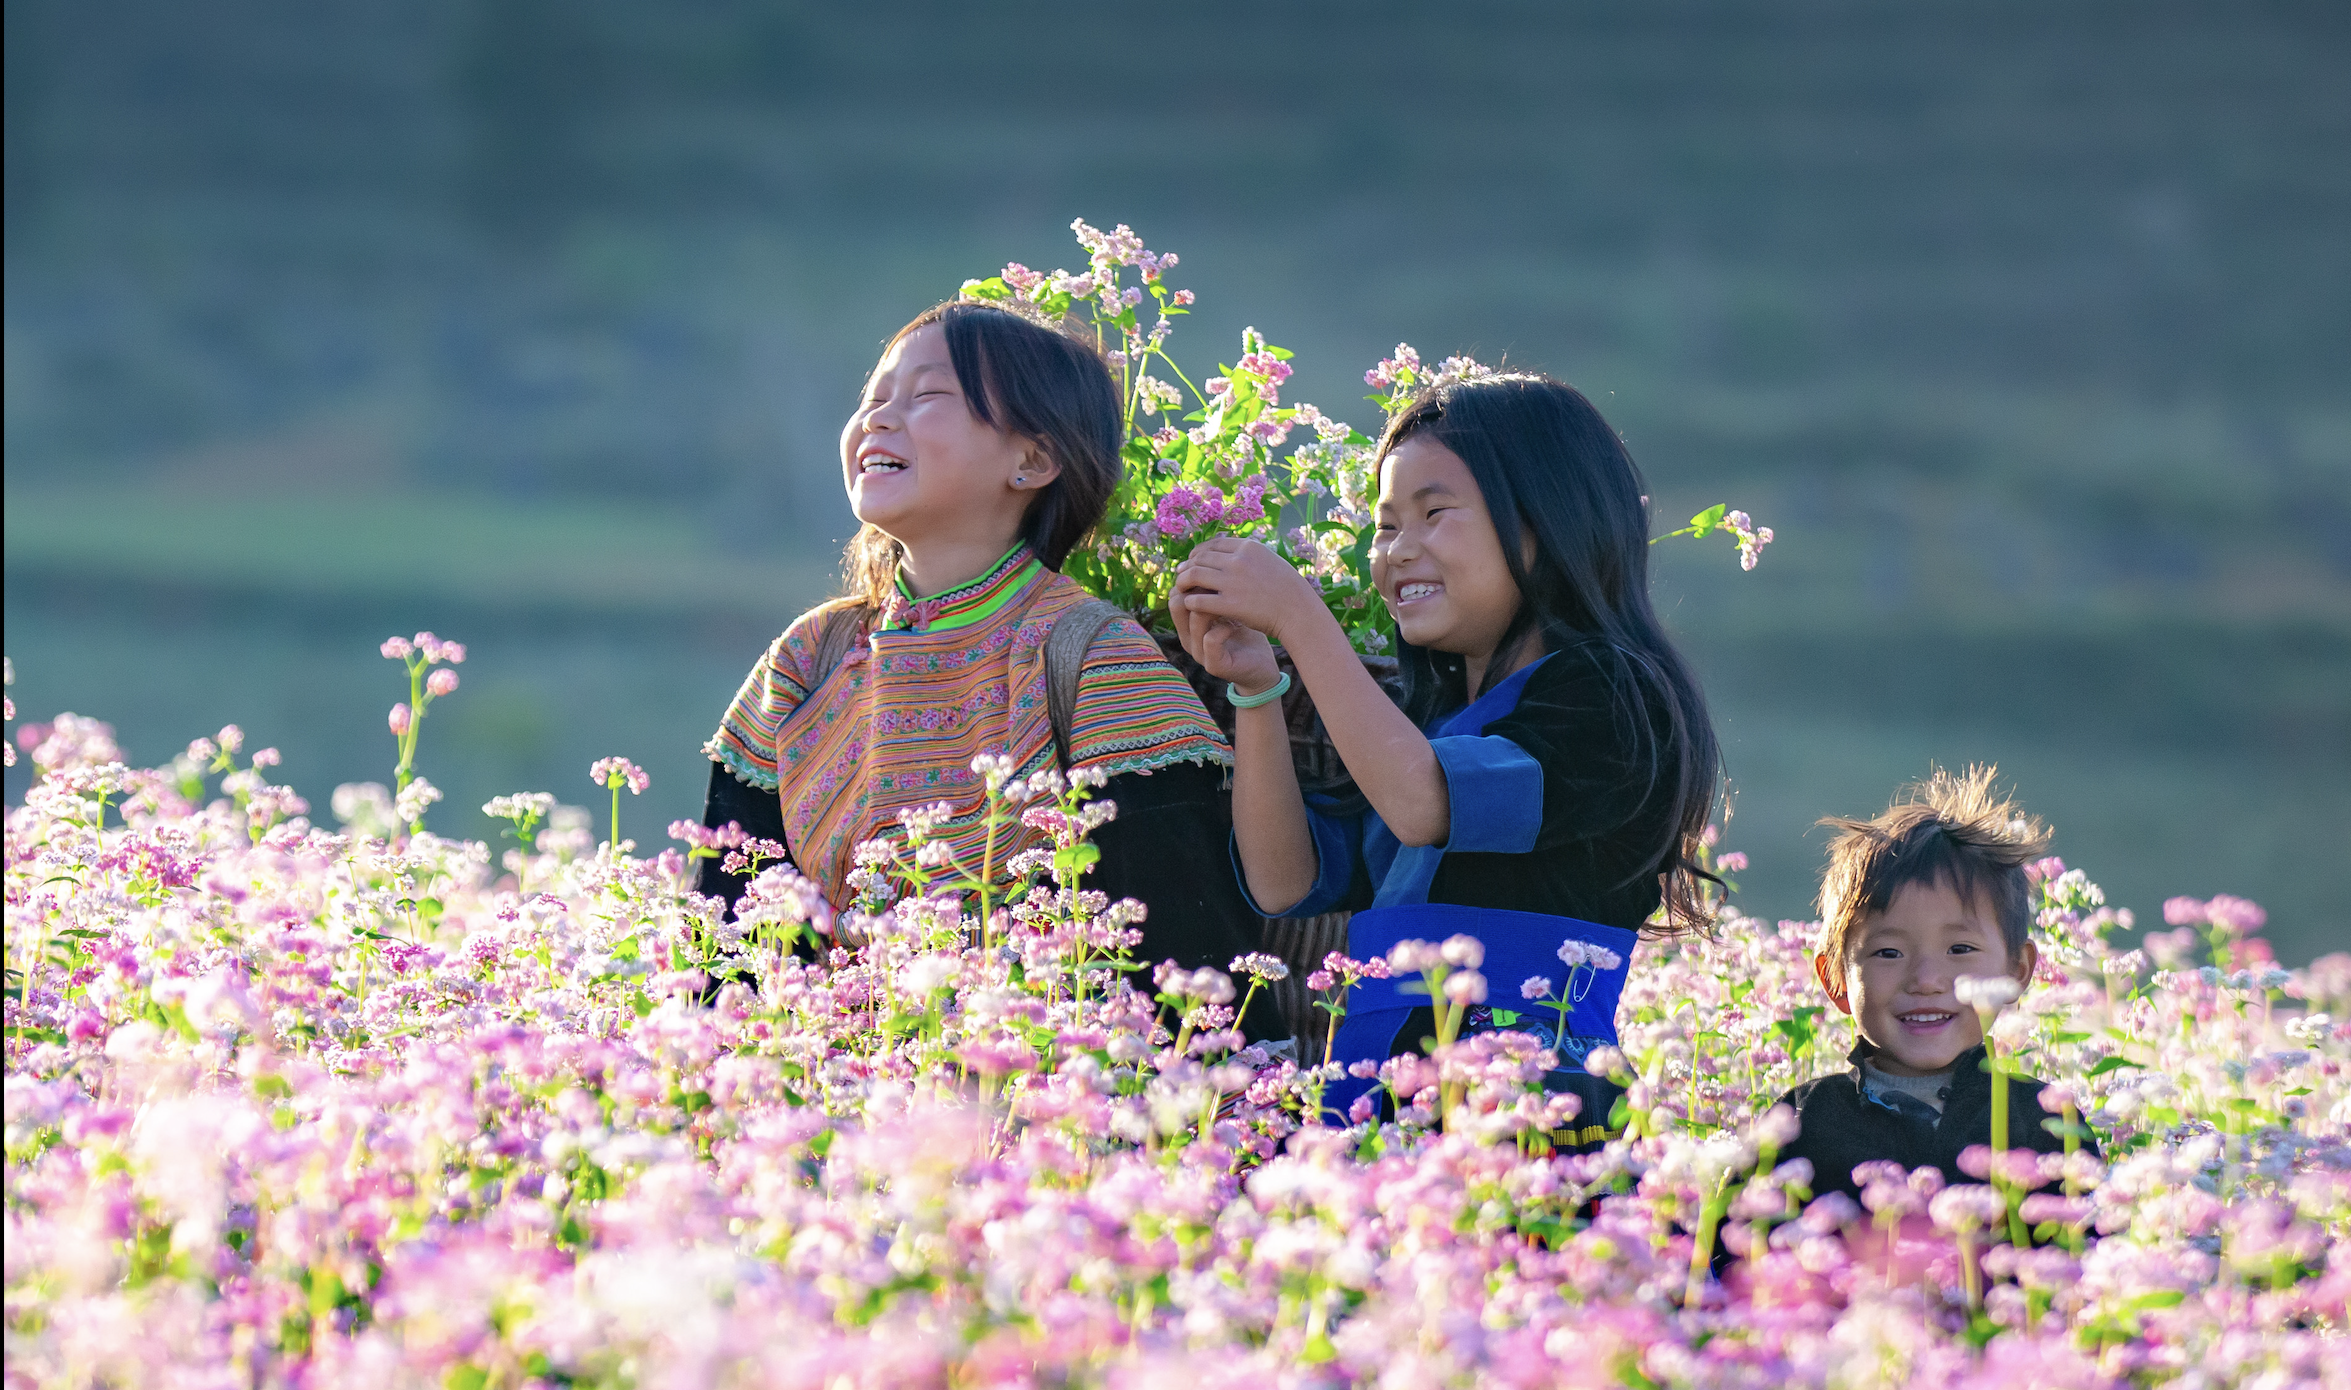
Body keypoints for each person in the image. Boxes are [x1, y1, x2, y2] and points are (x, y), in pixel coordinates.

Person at [1169, 371, 1723, 1148]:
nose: (1399, 550)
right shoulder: (1427, 728)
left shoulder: (1612, 692)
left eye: (1434, 514)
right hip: (1375, 1102)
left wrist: (1301, 616)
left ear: (1545, 521)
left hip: (1527, 1107)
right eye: (1385, 525)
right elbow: (1283, 881)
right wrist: (1259, 691)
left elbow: (1425, 804)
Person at [697, 300, 1278, 1031]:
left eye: (927, 396)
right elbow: (724, 943)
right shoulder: (808, 660)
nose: (878, 418)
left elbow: (1185, 961)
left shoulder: (1092, 655)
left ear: (1032, 460)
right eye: (873, 399)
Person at [1766, 766, 2070, 1197]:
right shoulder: (1803, 1121)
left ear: (2017, 969)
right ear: (1835, 979)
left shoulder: (2046, 1124)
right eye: (1888, 953)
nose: (1926, 981)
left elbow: (2088, 1256)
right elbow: (1730, 1256)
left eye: (1959, 950)